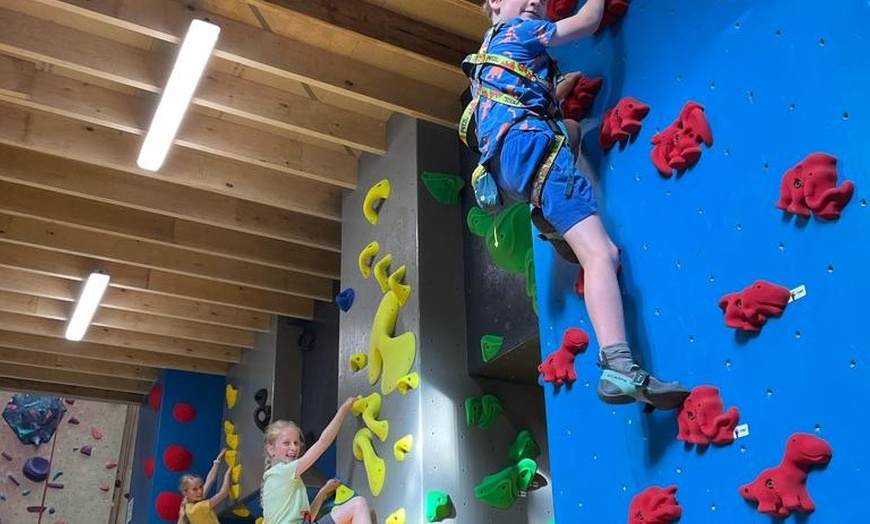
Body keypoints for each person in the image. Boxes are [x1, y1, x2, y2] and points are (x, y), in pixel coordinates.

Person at [465, 0, 690, 410]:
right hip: (534, 148)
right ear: (494, 1)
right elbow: (588, 21)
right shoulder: (524, 32)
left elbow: (518, 91)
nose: (534, 1)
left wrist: (557, 92)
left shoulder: (491, 49)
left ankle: (550, 221)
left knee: (569, 128)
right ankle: (618, 362)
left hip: (505, 162)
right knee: (601, 254)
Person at [261, 398, 371, 524]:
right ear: (271, 449)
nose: (294, 447)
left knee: (357, 505)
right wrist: (344, 409)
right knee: (358, 504)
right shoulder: (282, 472)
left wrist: (323, 491)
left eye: (296, 443)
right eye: (286, 443)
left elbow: (309, 518)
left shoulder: (275, 481)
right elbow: (323, 442)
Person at [177, 449, 233, 524]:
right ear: (186, 492)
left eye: (200, 487)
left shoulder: (189, 503)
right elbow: (223, 494)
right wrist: (227, 475)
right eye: (194, 489)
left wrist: (217, 460)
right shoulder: (198, 508)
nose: (200, 491)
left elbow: (209, 480)